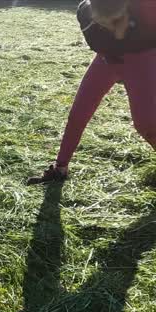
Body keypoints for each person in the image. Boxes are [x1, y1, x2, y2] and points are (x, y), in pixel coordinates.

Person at [27, 0, 156, 185]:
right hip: (107, 59)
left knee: (146, 123)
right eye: (104, 24)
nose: (112, 29)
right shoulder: (85, 13)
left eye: (117, 21)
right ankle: (60, 168)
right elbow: (99, 43)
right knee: (79, 112)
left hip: (141, 58)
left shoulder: (147, 8)